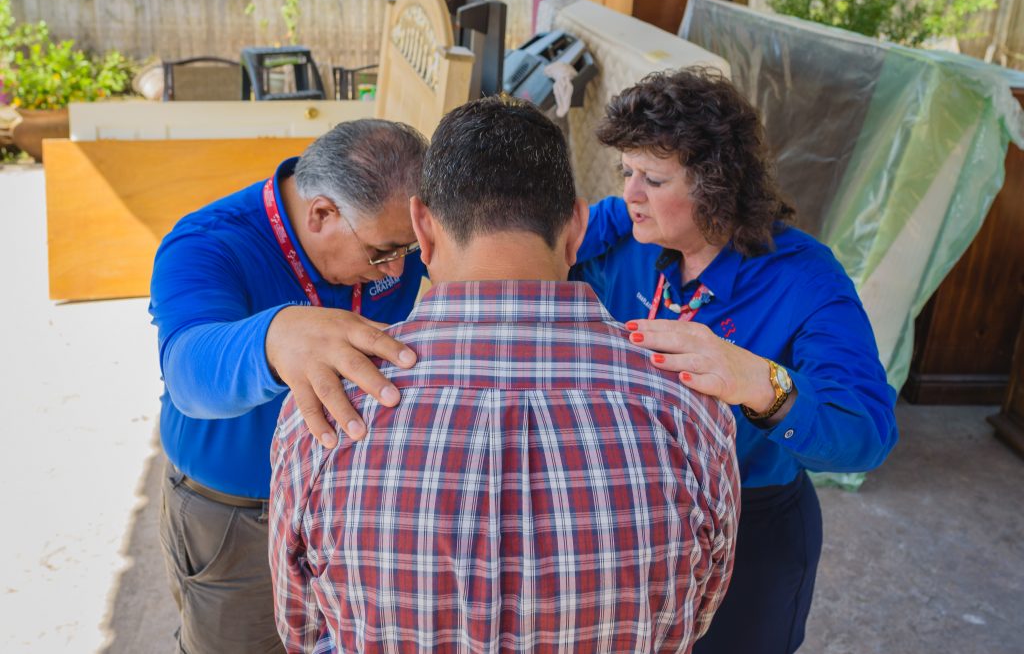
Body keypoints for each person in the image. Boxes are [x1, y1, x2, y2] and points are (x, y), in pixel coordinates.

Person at [269, 95, 741, 653]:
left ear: (422, 228)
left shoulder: (328, 410)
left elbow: (303, 629)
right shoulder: (688, 405)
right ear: (575, 229)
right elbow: (699, 607)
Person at [570, 67, 899, 653]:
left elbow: (866, 433)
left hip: (754, 529)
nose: (630, 195)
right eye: (627, 172)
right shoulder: (624, 233)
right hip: (634, 522)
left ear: (715, 184)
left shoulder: (806, 279)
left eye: (653, 178)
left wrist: (756, 380)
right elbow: (517, 252)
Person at [148, 119, 429, 653]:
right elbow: (187, 371)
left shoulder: (385, 233)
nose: (396, 269)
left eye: (409, 251)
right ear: (321, 213)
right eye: (382, 252)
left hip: (353, 498)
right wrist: (275, 336)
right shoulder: (206, 243)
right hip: (238, 514)